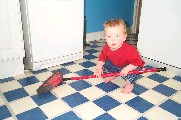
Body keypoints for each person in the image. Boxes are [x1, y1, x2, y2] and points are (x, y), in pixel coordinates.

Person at [95, 19, 144, 94]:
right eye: (109, 36)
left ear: (124, 37)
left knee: (132, 72)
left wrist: (126, 69)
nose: (113, 40)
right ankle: (113, 74)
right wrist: (98, 68)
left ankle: (129, 84)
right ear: (105, 38)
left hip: (130, 65)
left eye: (117, 36)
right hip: (116, 64)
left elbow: (137, 62)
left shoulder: (129, 50)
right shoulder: (106, 48)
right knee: (104, 63)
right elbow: (101, 59)